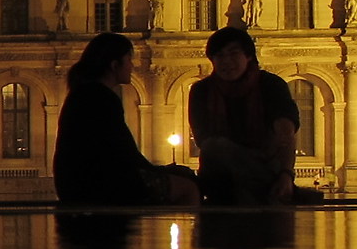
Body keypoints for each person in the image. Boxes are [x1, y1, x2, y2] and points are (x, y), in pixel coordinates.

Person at [53, 32, 199, 206]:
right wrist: (161, 170)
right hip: (100, 185)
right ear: (115, 65)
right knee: (189, 188)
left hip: (76, 183)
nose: (132, 65)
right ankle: (184, 233)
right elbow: (126, 152)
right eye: (129, 59)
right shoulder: (102, 97)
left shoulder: (83, 93)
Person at [187, 24, 303, 205]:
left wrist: (286, 174)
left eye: (233, 54)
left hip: (263, 166)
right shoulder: (201, 91)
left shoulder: (271, 85)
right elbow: (205, 141)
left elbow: (286, 133)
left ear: (248, 56)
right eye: (219, 56)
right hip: (228, 171)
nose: (226, 61)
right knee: (217, 147)